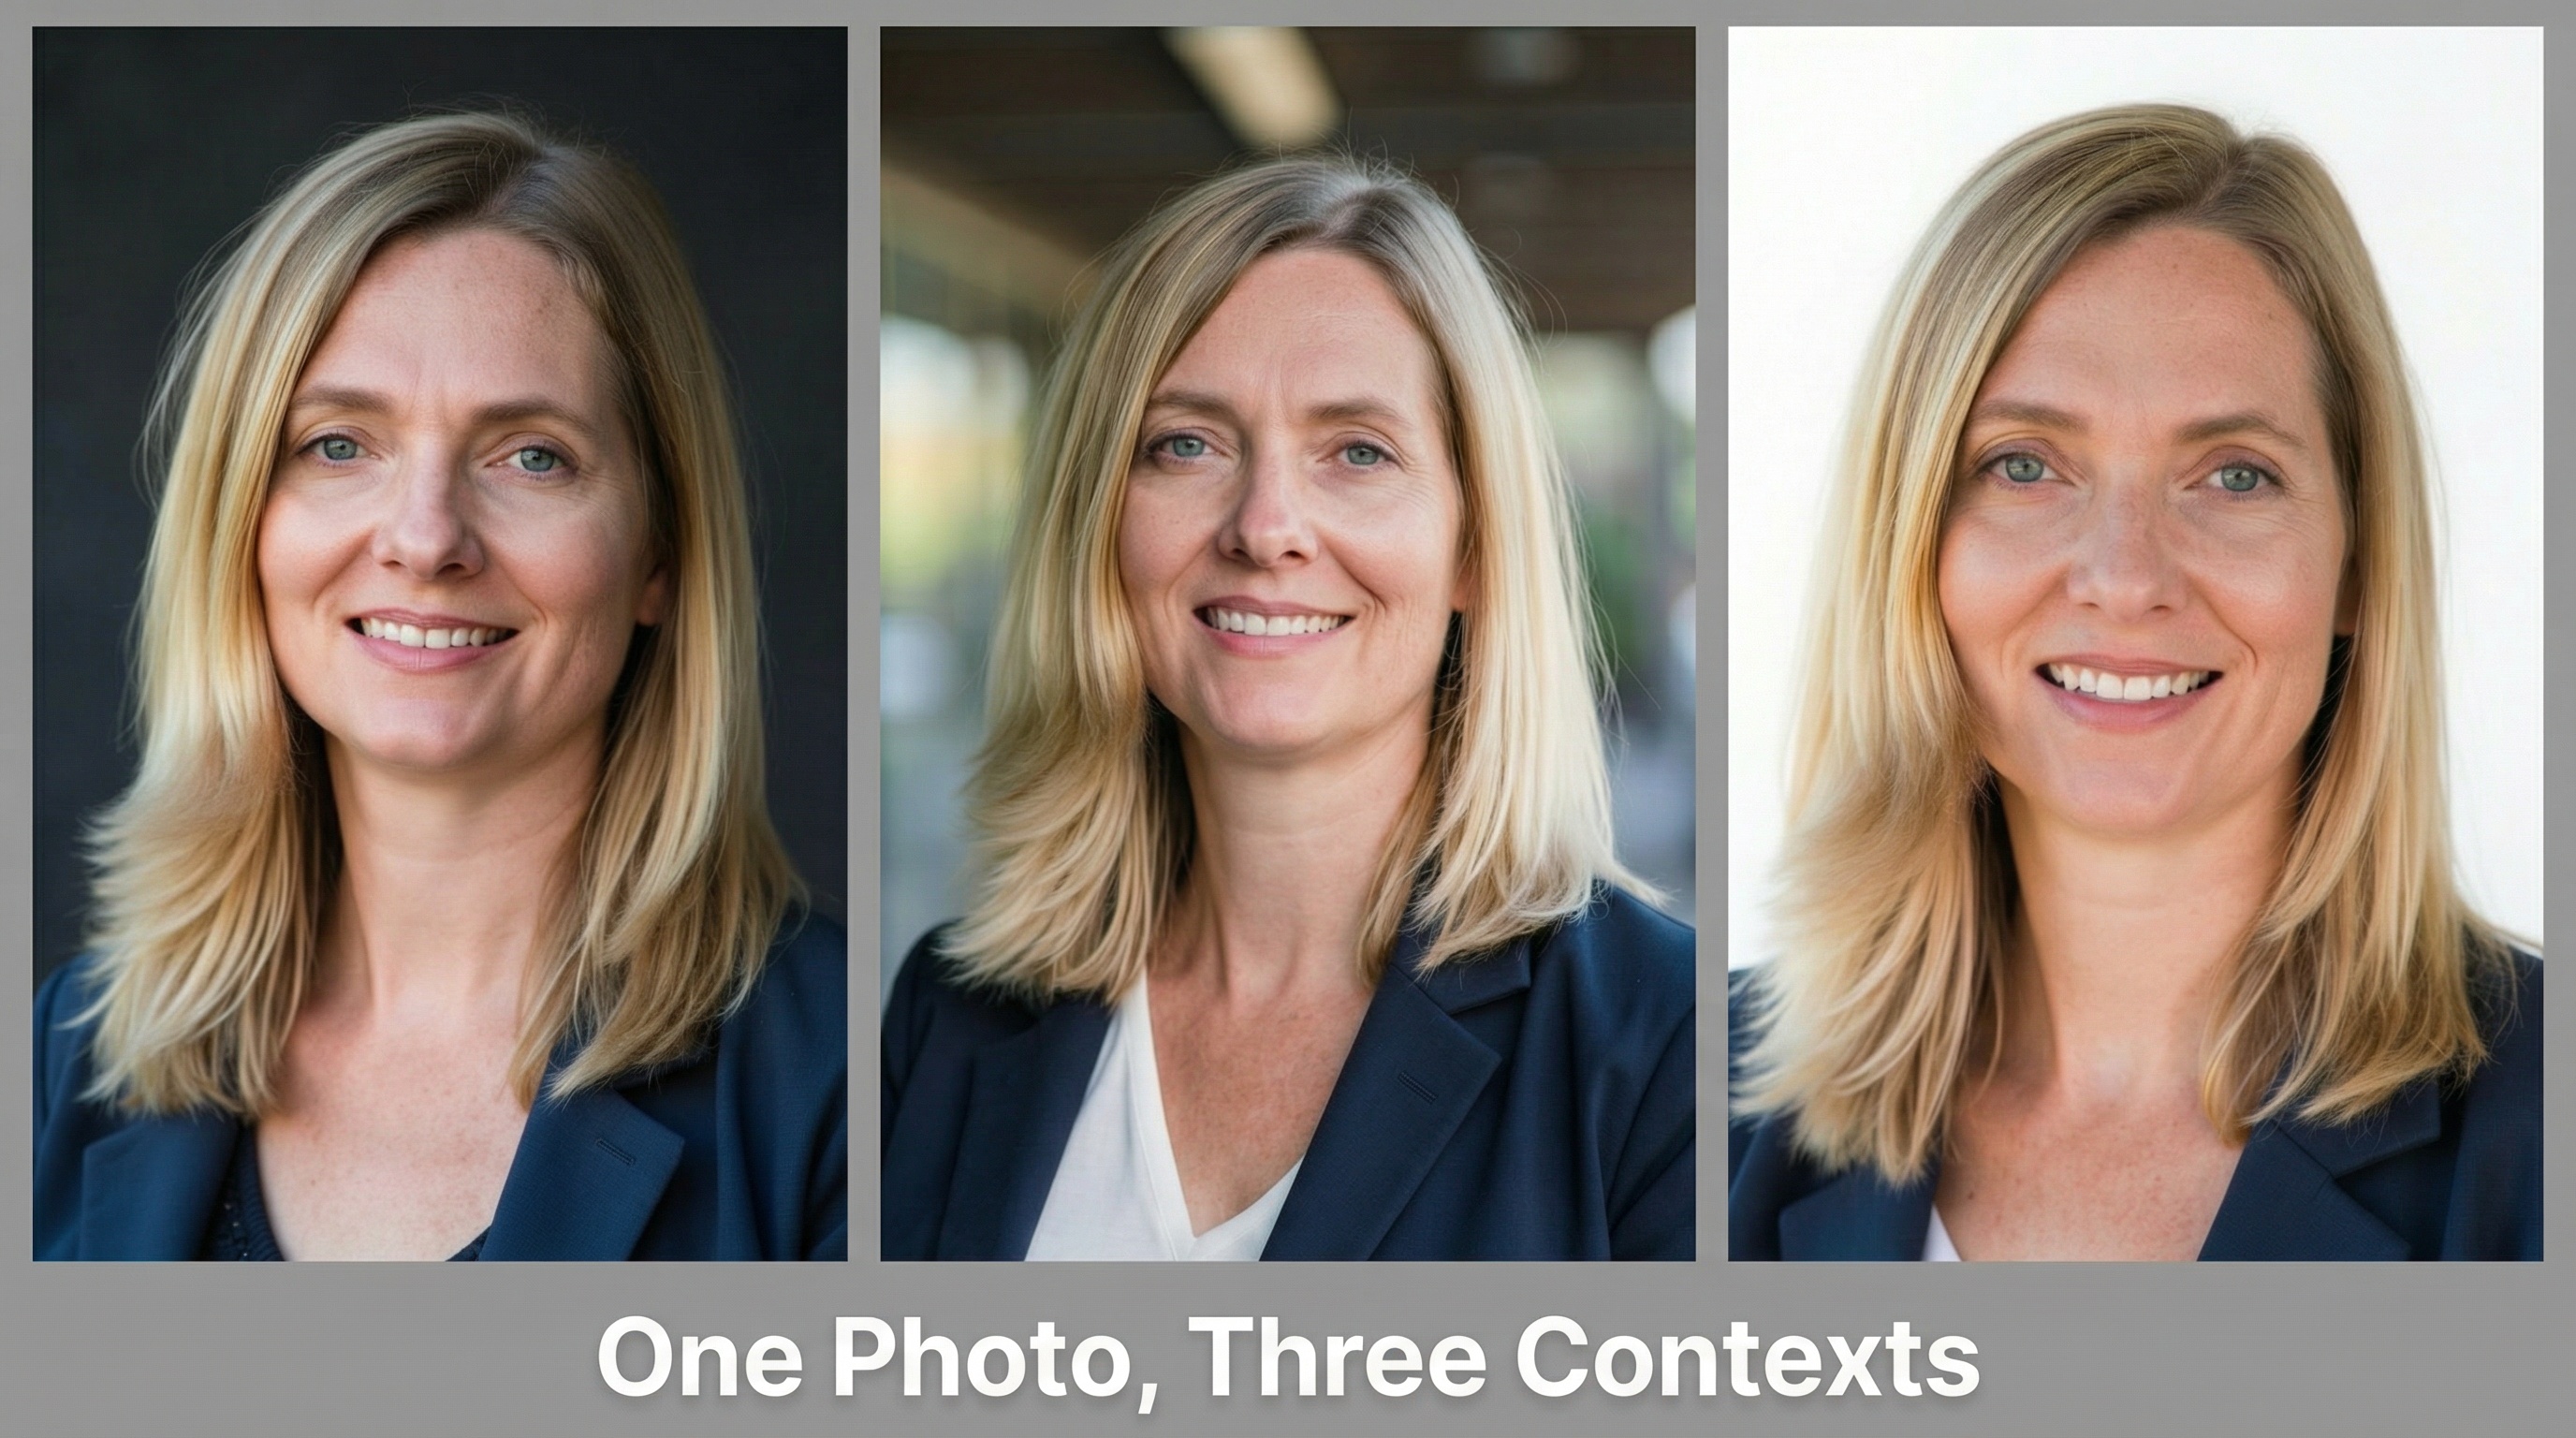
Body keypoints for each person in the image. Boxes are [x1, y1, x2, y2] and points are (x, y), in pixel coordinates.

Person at [1728, 104, 2539, 1261]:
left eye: (2233, 477)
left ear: (2357, 561)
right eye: (2023, 465)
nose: (2124, 577)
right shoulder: (1695, 1108)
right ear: (1909, 544)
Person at [33, 110, 845, 1261]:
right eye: (338, 445)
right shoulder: (71, 1054)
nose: (425, 539)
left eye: (531, 456)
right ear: (241, 524)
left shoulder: (848, 1088)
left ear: (658, 554)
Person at [880, 154, 1694, 1261]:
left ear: (1473, 545)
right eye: (1186, 444)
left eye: (1357, 452)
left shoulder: (1667, 1049)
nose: (1265, 528)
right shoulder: (950, 1017)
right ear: (1099, 525)